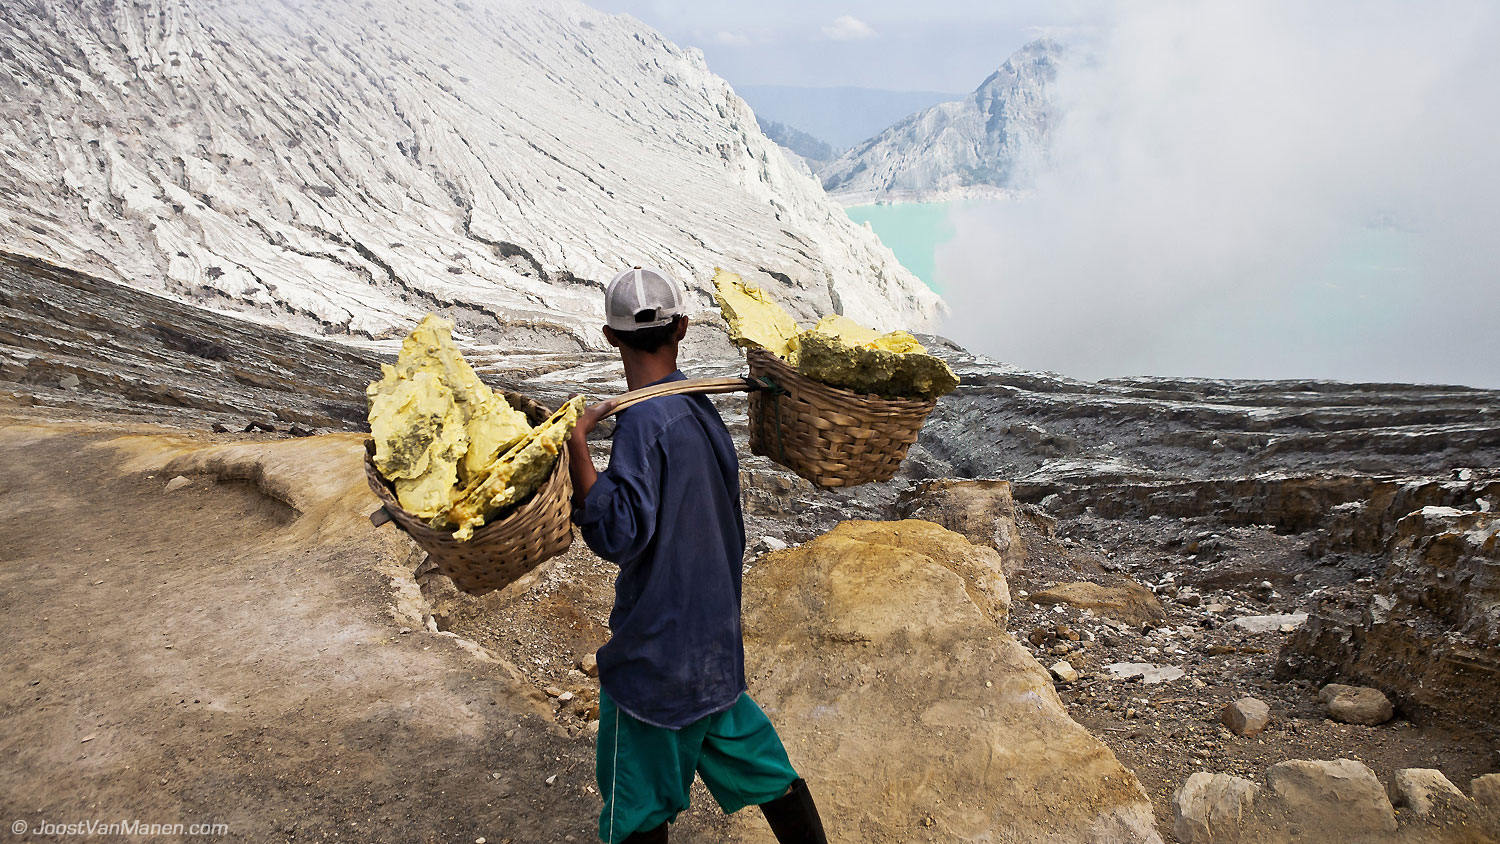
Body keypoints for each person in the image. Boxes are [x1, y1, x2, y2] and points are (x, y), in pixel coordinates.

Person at [567, 266, 828, 844]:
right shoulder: (700, 411)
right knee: (767, 772)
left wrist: (578, 447)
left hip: (655, 660)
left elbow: (616, 535)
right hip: (712, 648)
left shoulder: (641, 423)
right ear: (682, 328)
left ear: (610, 338)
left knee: (638, 807)